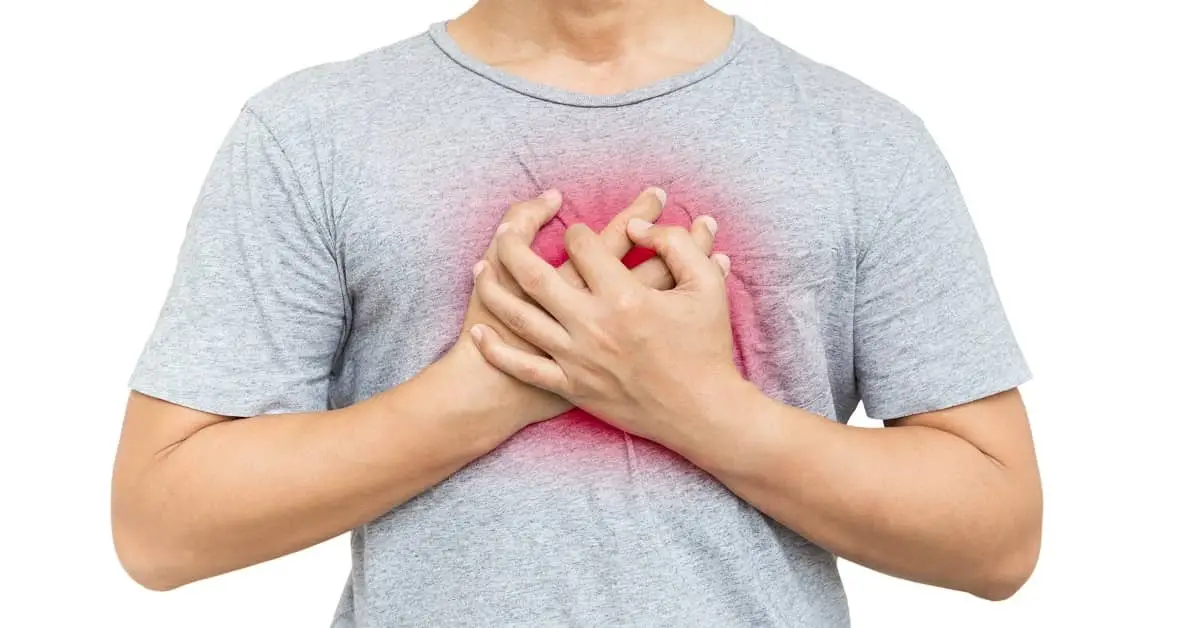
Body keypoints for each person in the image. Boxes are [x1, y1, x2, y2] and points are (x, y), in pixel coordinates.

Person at [111, 1, 1043, 625]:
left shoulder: (863, 137)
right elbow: (160, 525)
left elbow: (997, 537)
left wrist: (696, 407)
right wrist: (487, 393)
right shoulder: (308, 132)